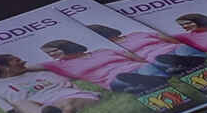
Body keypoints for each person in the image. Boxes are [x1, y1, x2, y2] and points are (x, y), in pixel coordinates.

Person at [36, 37, 172, 96]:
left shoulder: (102, 51)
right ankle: (150, 81)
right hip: (113, 79)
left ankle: (155, 78)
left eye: (53, 51)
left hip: (134, 67)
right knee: (121, 79)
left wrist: (146, 63)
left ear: (65, 47)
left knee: (145, 69)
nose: (51, 55)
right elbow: (29, 67)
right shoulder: (60, 65)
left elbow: (134, 58)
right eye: (48, 54)